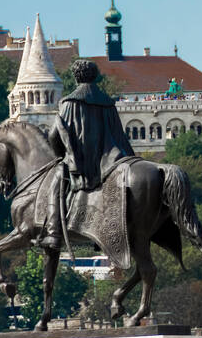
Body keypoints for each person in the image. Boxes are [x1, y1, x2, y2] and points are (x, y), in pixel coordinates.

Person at [40, 59, 136, 249]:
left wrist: (62, 157)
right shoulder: (108, 103)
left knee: (55, 182)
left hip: (83, 161)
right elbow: (119, 134)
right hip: (111, 158)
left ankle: (53, 233)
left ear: (76, 77)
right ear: (95, 76)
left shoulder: (69, 102)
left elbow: (54, 134)